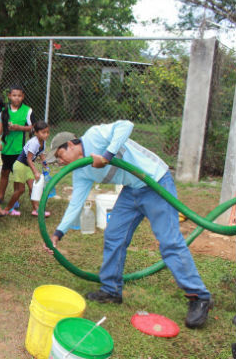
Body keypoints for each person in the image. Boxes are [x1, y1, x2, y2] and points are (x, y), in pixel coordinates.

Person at [44, 120, 213, 328]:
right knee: (114, 234)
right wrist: (58, 233)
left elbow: (125, 125)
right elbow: (75, 204)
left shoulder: (95, 136)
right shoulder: (81, 171)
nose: (60, 162)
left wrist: (107, 156)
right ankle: (111, 290)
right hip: (132, 189)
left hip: (155, 181)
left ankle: (200, 297)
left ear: (70, 145)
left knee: (169, 242)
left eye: (60, 156)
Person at [3, 120, 51, 217]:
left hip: (27, 166)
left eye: (47, 132)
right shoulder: (34, 143)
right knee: (20, 190)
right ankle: (7, 209)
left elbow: (41, 153)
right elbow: (29, 159)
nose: (46, 135)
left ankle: (36, 209)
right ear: (36, 133)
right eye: (43, 132)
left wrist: (44, 163)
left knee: (33, 188)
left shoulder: (43, 142)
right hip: (20, 165)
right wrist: (36, 172)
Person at [0, 85, 33, 205]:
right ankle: (0, 196)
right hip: (6, 148)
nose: (16, 98)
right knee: (5, 172)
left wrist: (19, 128)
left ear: (23, 97)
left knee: (18, 175)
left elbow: (33, 127)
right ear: (9, 96)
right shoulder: (3, 110)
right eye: (14, 95)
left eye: (19, 96)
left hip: (19, 149)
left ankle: (15, 198)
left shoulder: (27, 110)